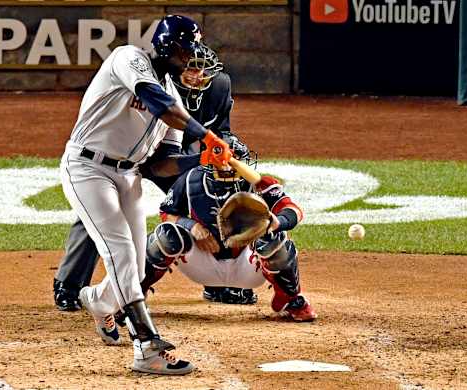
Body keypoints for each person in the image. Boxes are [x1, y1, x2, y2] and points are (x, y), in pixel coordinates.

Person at [59, 15, 231, 375]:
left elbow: (159, 164)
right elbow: (156, 102)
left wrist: (202, 159)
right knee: (119, 249)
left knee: (135, 269)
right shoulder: (129, 58)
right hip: (88, 169)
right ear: (168, 47)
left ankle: (96, 299)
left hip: (128, 176)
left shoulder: (172, 94)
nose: (191, 59)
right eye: (186, 50)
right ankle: (147, 347)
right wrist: (206, 134)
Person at [53, 44, 256, 313]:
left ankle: (217, 278)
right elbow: (163, 115)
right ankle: (70, 283)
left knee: (211, 196)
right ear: (174, 60)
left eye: (201, 68)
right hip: (128, 151)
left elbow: (220, 134)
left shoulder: (217, 87)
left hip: (176, 155)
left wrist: (211, 165)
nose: (196, 74)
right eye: (190, 64)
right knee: (101, 209)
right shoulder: (148, 76)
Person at [139, 133, 318, 323]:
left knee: (274, 238)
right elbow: (168, 214)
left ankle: (290, 299)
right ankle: (136, 295)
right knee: (166, 235)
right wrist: (191, 226)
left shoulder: (260, 184)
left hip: (247, 266)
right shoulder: (190, 180)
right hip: (202, 264)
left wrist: (278, 222)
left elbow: (294, 210)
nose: (231, 166)